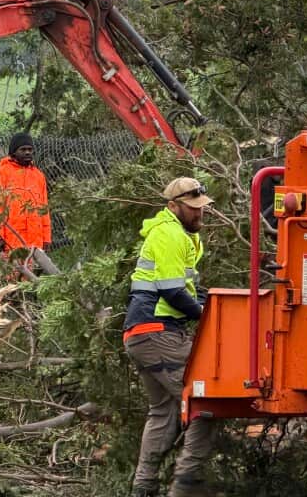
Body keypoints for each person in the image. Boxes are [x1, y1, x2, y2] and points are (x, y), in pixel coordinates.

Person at [123, 177, 215, 497]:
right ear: (174, 206)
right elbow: (173, 291)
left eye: (201, 208)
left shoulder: (183, 236)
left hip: (148, 333)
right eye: (193, 210)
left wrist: (208, 301)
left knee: (163, 411)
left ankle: (143, 488)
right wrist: (207, 316)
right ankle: (185, 487)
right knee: (205, 399)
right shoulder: (168, 234)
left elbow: (187, 288)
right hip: (156, 331)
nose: (199, 214)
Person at [0, 133, 51, 263]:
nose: (27, 152)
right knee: (13, 277)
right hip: (12, 237)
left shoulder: (39, 176)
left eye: (30, 149)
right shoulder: (1, 174)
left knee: (32, 277)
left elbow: (44, 209)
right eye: (23, 150)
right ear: (13, 152)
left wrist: (47, 238)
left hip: (35, 238)